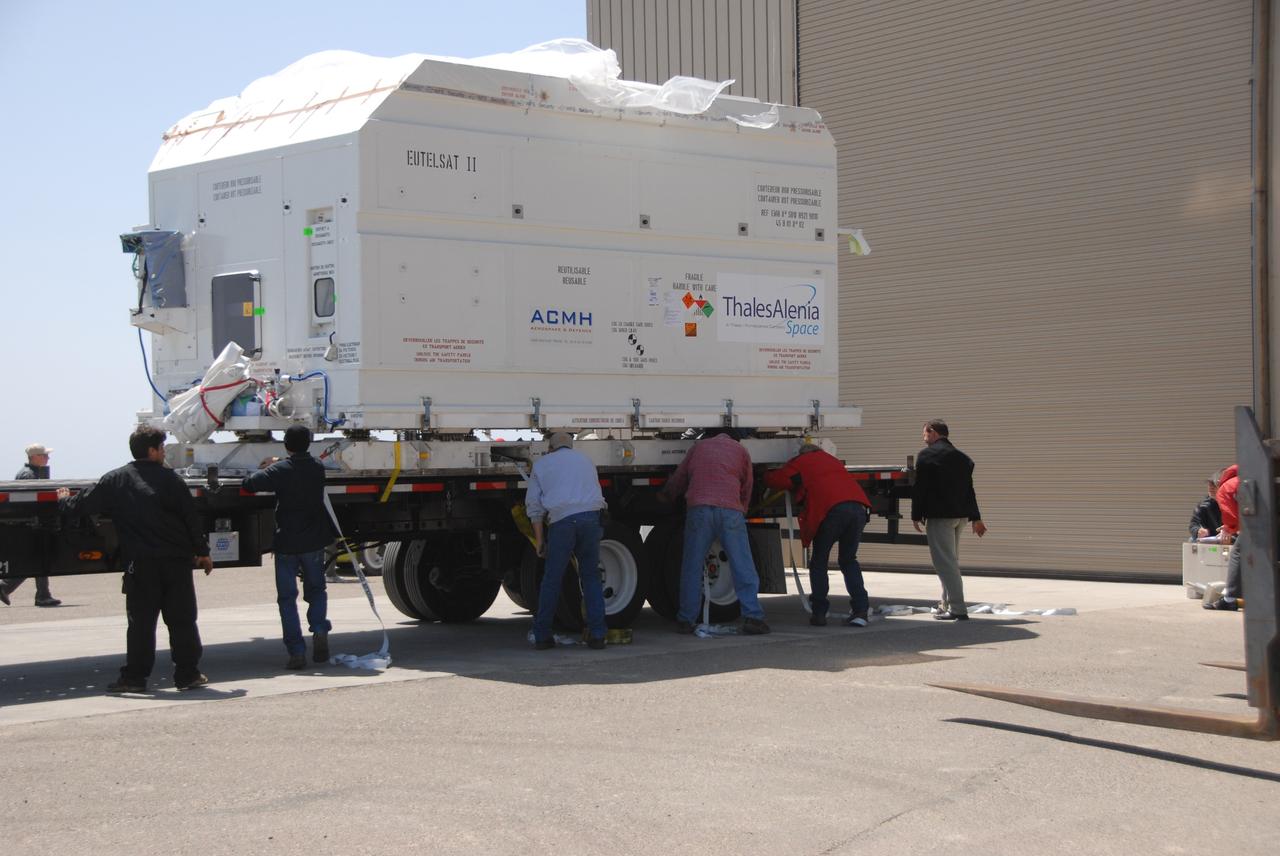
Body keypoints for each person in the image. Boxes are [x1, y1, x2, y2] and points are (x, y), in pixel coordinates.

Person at [58, 426, 213, 692]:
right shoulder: (172, 481)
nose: (164, 453)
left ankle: (135, 678)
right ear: (151, 451)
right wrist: (203, 552)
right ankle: (187, 674)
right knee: (182, 620)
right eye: (162, 448)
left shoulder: (116, 480)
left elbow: (82, 505)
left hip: (140, 565)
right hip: (176, 563)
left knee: (141, 623)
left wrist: (63, 500)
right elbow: (191, 519)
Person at [659, 428, 770, 635]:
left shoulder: (698, 448)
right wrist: (743, 508)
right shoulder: (740, 450)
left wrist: (667, 495)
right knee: (742, 565)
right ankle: (753, 617)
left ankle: (686, 619)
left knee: (692, 566)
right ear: (734, 437)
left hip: (699, 509)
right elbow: (747, 484)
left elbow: (680, 477)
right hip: (730, 510)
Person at [242, 425, 336, 668]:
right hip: (313, 542)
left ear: (286, 445)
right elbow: (301, 466)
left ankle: (296, 652)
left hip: (287, 543)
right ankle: (319, 630)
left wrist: (270, 465)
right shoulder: (317, 467)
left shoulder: (279, 471)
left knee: (287, 599)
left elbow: (249, 484)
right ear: (309, 443)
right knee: (317, 590)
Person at [765, 442, 873, 627]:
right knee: (848, 560)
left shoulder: (801, 461)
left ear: (802, 453)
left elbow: (779, 480)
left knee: (819, 562)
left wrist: (763, 474)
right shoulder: (832, 460)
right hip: (858, 509)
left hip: (831, 511)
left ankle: (819, 612)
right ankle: (861, 611)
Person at [524, 432, 609, 650]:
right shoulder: (585, 461)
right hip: (591, 518)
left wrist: (540, 541)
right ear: (570, 446)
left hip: (562, 522)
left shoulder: (542, 465)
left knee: (552, 579)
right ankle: (598, 635)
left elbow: (534, 508)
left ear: (550, 448)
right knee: (591, 576)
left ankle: (543, 636)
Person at [911, 419, 987, 621]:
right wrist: (976, 517)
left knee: (945, 564)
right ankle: (945, 604)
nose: (923, 437)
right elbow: (969, 490)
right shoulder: (963, 458)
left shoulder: (927, 455)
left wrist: (916, 515)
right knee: (951, 562)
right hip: (961, 517)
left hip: (940, 517)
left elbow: (920, 488)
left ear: (932, 432)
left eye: (925, 433)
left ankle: (958, 609)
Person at [0, 443, 62, 607]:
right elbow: (29, 502)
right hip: (31, 524)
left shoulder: (32, 473)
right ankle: (7, 587)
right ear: (34, 457)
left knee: (38, 559)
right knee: (36, 560)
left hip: (32, 524)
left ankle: (42, 594)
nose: (48, 458)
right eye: (44, 455)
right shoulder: (28, 475)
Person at [1204, 464, 1243, 611]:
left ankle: (1230, 598)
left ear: (1217, 483)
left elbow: (1231, 517)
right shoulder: (1241, 479)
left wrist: (1228, 528)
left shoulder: (1225, 488)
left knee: (1237, 554)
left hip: (1258, 526)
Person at [1188, 469, 1225, 541]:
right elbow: (1193, 524)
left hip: (1231, 538)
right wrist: (1198, 531)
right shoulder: (1204, 505)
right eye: (1209, 484)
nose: (1211, 487)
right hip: (1212, 539)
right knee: (1192, 540)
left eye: (1214, 484)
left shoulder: (1235, 503)